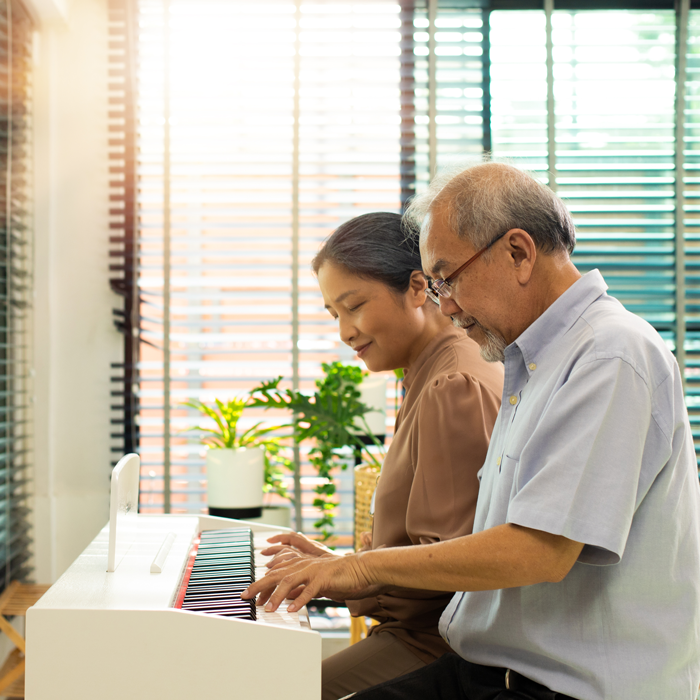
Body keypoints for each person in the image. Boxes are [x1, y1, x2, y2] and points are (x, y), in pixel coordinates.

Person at [244, 163, 700, 700]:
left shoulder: (609, 355)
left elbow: (539, 551)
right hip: (485, 669)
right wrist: (349, 566)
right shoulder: (530, 361)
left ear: (518, 253)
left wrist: (362, 569)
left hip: (562, 689)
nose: (448, 306)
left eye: (447, 278)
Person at [260, 212, 503, 700]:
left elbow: (453, 576)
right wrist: (339, 567)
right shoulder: (429, 372)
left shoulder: (451, 384)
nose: (346, 332)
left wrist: (350, 574)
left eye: (354, 306)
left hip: (436, 648)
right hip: (417, 636)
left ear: (418, 287)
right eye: (334, 315)